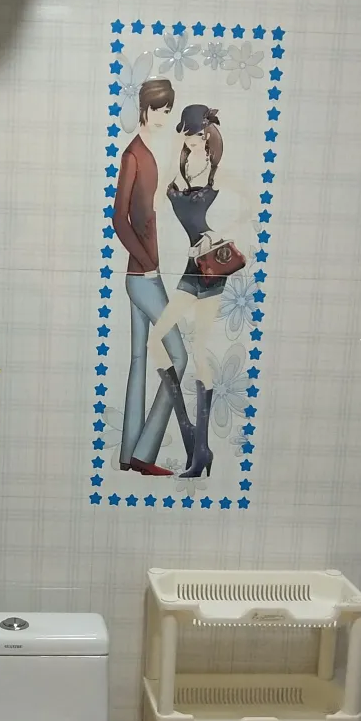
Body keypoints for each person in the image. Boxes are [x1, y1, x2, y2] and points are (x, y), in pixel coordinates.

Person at [149, 103, 235, 478]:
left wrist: (219, 237)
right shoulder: (181, 169)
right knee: (157, 339)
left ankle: (200, 450)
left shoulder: (216, 173)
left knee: (199, 350)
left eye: (195, 134)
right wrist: (175, 152)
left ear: (207, 133)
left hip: (211, 264)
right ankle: (189, 433)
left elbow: (250, 205)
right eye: (185, 135)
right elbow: (157, 199)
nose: (190, 141)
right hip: (191, 264)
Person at [112, 79, 193, 475]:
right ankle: (145, 454)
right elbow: (119, 218)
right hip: (143, 275)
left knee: (139, 358)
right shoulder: (134, 155)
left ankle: (128, 454)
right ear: (145, 108)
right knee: (179, 356)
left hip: (145, 272)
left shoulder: (152, 151)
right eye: (160, 109)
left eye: (168, 110)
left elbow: (157, 205)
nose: (164, 116)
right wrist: (146, 263)